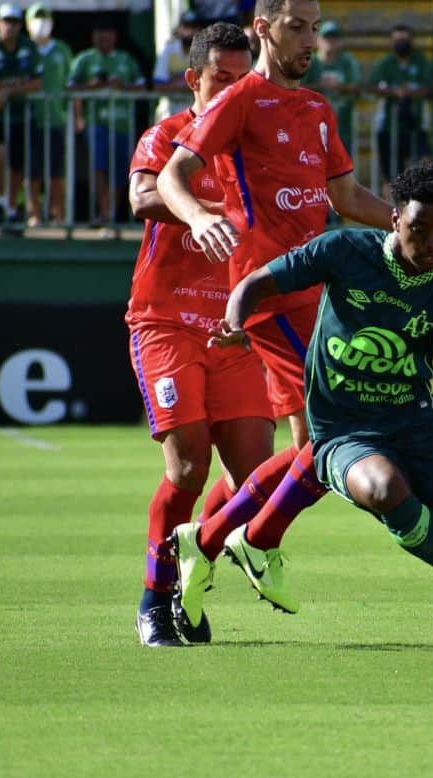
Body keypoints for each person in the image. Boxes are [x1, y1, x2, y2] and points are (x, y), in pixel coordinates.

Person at [180, 162, 433, 657]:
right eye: (420, 229)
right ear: (396, 218)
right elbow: (252, 285)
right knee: (383, 488)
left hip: (417, 423)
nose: (432, 243)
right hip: (342, 430)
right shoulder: (344, 249)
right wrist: (234, 323)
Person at [156, 0, 433, 622]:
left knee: (319, 441)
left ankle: (208, 540)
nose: (312, 41)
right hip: (268, 290)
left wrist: (429, 224)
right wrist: (199, 217)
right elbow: (176, 172)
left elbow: (344, 197)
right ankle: (247, 540)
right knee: (330, 434)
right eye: (298, 27)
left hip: (320, 297)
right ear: (264, 28)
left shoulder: (316, 109)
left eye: (315, 29)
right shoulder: (240, 99)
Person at [128, 22, 271, 647]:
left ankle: (193, 564)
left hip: (231, 331)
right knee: (189, 465)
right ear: (194, 80)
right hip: (165, 324)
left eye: (245, 80)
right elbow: (140, 196)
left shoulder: (258, 147)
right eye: (222, 79)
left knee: (255, 478)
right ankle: (153, 600)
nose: (235, 91)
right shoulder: (167, 136)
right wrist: (206, 211)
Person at [69, 16, 146, 226]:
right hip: (95, 122)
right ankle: (103, 211)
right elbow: (70, 89)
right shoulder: (84, 60)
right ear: (94, 36)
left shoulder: (126, 60)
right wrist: (90, 87)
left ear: (115, 36)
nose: (104, 37)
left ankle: (110, 211)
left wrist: (122, 85)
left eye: (108, 32)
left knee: (122, 169)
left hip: (122, 123)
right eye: (100, 32)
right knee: (99, 166)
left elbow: (142, 88)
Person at [0, 3, 42, 227]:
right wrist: (6, 89)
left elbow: (36, 82)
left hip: (22, 116)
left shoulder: (28, 47)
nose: (9, 27)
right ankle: (0, 200)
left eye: (14, 22)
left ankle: (11, 207)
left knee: (17, 164)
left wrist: (6, 91)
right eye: (6, 21)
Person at [367, 24, 433, 195]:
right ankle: (391, 217)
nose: (401, 43)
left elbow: (430, 87)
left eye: (405, 39)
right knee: (391, 178)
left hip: (416, 124)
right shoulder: (385, 63)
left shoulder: (421, 61)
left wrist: (411, 93)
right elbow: (371, 86)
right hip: (388, 127)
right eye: (397, 40)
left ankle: (421, 208)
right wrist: (394, 93)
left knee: (425, 166)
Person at [25, 2, 73, 226]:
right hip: (30, 119)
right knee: (32, 171)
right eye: (37, 18)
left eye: (45, 18)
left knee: (56, 171)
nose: (41, 23)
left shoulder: (62, 50)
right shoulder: (25, 48)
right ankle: (34, 214)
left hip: (57, 119)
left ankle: (58, 215)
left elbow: (70, 84)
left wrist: (77, 115)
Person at [302, 20, 361, 154]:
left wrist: (339, 86)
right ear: (318, 41)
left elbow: (357, 86)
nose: (330, 41)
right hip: (312, 126)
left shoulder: (348, 62)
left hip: (343, 126)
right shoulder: (310, 61)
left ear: (341, 42)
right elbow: (298, 88)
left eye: (334, 38)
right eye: (326, 37)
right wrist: (321, 86)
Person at [153, 10, 204, 94]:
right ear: (179, 29)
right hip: (173, 106)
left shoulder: (205, 52)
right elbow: (158, 83)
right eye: (186, 27)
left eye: (194, 28)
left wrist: (178, 82)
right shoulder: (169, 49)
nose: (190, 32)